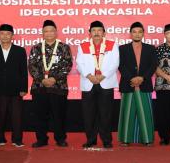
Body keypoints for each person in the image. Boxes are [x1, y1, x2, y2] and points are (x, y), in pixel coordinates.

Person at [28, 20, 73, 148]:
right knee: (40, 115)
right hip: (39, 87)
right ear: (42, 33)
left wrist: (54, 79)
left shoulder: (64, 47)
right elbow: (31, 66)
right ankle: (41, 139)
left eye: (51, 31)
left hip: (58, 87)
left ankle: (60, 139)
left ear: (56, 32)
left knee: (59, 115)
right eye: (46, 31)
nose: (48, 33)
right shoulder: (36, 48)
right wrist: (42, 79)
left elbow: (67, 65)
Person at [76, 21, 119, 149]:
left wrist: (102, 75)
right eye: (93, 30)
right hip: (88, 82)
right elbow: (79, 64)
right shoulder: (82, 46)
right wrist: (89, 76)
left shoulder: (112, 45)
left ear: (104, 33)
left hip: (105, 82)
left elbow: (115, 63)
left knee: (106, 113)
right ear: (89, 33)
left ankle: (106, 140)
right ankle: (91, 139)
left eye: (99, 30)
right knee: (89, 113)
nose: (96, 33)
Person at [0, 24, 28, 148]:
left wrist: (24, 88)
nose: (5, 36)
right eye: (2, 33)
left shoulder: (20, 51)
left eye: (8, 34)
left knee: (17, 116)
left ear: (12, 36)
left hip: (16, 90)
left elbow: (23, 72)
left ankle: (17, 139)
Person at [117, 22, 157, 146]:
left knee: (145, 112)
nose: (137, 34)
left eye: (140, 32)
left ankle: (147, 139)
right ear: (130, 34)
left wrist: (142, 78)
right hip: (128, 84)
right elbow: (120, 65)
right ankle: (125, 139)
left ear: (143, 33)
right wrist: (132, 78)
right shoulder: (122, 48)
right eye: (134, 32)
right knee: (127, 113)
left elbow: (153, 66)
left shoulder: (150, 48)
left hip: (144, 84)